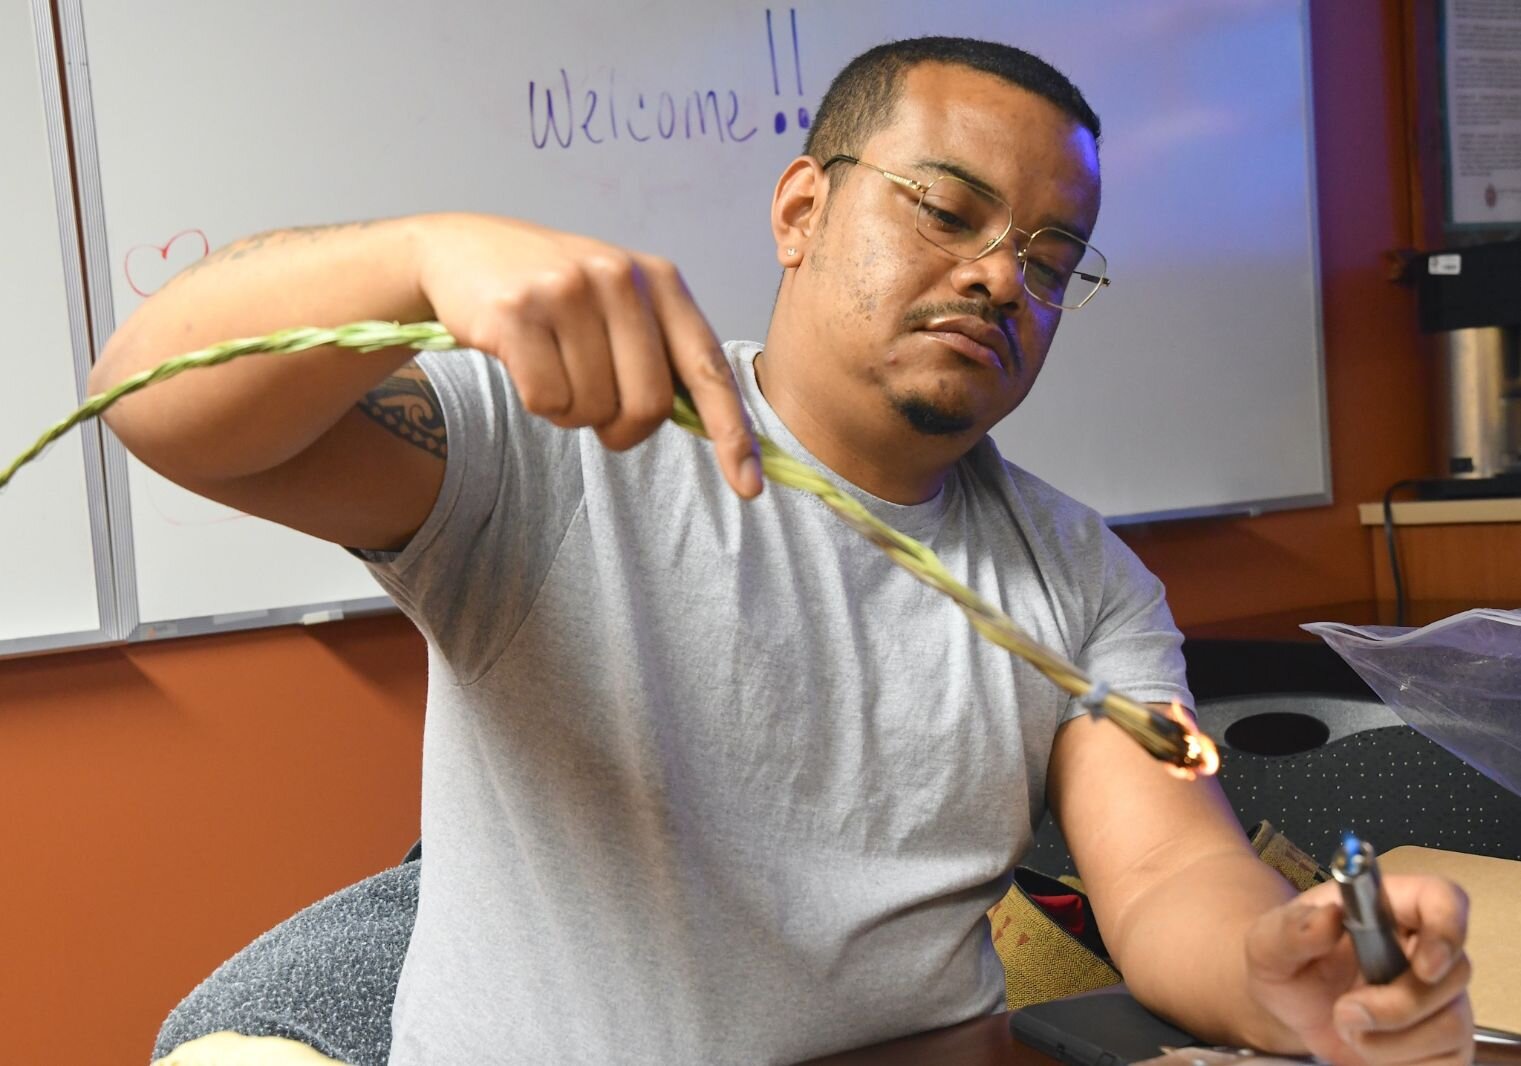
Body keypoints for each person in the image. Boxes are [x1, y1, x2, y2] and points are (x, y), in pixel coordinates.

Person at [96, 36, 1474, 1066]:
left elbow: (1168, 874)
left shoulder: (1077, 574)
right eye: (947, 212)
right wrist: (417, 259)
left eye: (1051, 259)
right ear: (802, 210)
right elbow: (157, 408)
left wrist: (1266, 965)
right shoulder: (575, 441)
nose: (1003, 276)